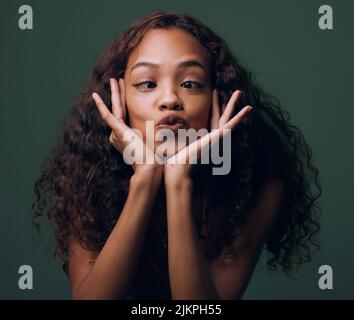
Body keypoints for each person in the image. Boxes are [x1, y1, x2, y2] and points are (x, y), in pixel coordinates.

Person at [32, 11, 321, 300]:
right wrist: (145, 178)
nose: (170, 99)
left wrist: (178, 180)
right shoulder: (86, 175)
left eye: (191, 83)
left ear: (216, 99)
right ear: (118, 100)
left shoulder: (260, 182)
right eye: (147, 84)